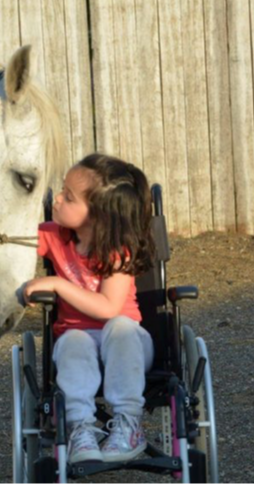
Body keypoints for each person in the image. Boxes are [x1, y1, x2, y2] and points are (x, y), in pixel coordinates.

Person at [24, 153, 156, 464]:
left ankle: (129, 424)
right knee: (72, 339)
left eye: (68, 197)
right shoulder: (53, 235)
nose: (56, 199)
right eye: (61, 190)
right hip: (77, 344)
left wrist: (57, 284)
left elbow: (110, 307)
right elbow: (10, 243)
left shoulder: (117, 251)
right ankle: (80, 428)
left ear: (97, 216)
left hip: (129, 347)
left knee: (120, 326)